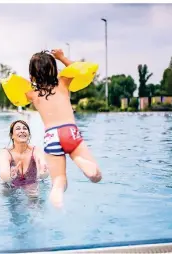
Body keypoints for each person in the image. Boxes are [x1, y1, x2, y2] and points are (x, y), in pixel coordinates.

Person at [25, 49, 102, 207]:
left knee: (59, 182)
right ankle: (79, 161)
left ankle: (57, 199)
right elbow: (79, 70)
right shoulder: (63, 82)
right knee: (96, 176)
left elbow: (20, 94)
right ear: (53, 69)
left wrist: (29, 80)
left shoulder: (32, 94)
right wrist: (62, 58)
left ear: (32, 75)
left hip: (51, 137)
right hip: (69, 131)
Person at [0, 120, 49, 196]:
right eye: (18, 129)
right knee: (6, 195)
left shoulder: (36, 151)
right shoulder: (5, 153)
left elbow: (44, 173)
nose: (22, 131)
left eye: (25, 128)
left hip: (31, 184)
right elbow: (4, 175)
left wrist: (43, 172)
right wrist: (10, 176)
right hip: (9, 185)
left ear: (29, 134)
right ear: (12, 135)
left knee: (34, 195)